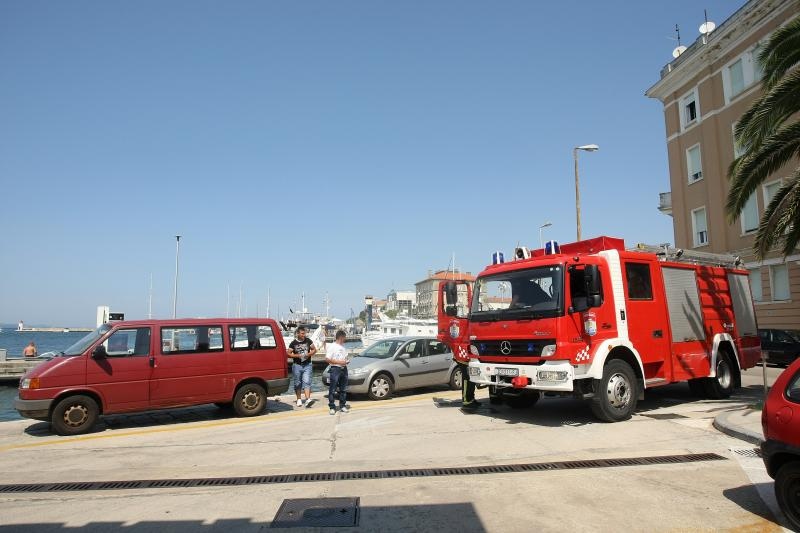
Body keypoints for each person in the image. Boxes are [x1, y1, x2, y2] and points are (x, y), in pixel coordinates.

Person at [288, 326, 317, 407]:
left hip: (307, 365)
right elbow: (288, 353)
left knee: (307, 382)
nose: (304, 335)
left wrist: (309, 354)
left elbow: (314, 349)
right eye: (302, 334)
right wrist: (298, 355)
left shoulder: (308, 341)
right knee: (298, 383)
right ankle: (299, 399)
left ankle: (308, 399)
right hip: (297, 365)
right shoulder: (293, 343)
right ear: (298, 333)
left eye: (304, 333)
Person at [326, 330, 349, 415]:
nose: (345, 339)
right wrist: (339, 362)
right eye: (344, 338)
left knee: (343, 389)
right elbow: (327, 359)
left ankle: (342, 405)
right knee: (333, 389)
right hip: (335, 369)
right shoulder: (332, 346)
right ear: (341, 337)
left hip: (344, 369)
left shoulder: (343, 347)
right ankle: (332, 407)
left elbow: (345, 357)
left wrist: (346, 361)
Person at [454, 340, 479, 410]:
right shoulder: (462, 337)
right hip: (463, 359)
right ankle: (466, 401)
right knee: (466, 379)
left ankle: (471, 399)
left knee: (472, 380)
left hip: (469, 358)